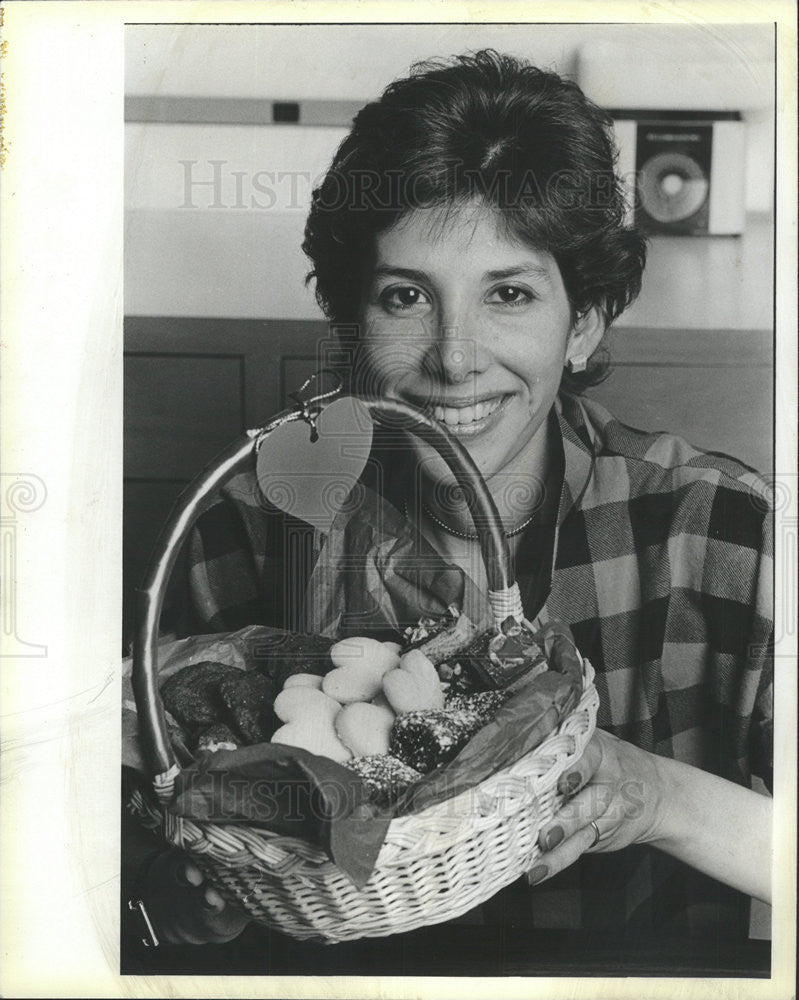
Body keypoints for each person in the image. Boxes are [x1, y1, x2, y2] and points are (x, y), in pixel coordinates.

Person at [122, 50, 773, 963]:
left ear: (581, 322)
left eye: (508, 293)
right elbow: (140, 855)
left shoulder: (720, 533)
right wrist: (179, 904)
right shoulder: (250, 527)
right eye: (405, 298)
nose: (455, 358)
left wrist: (657, 796)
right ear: (352, 324)